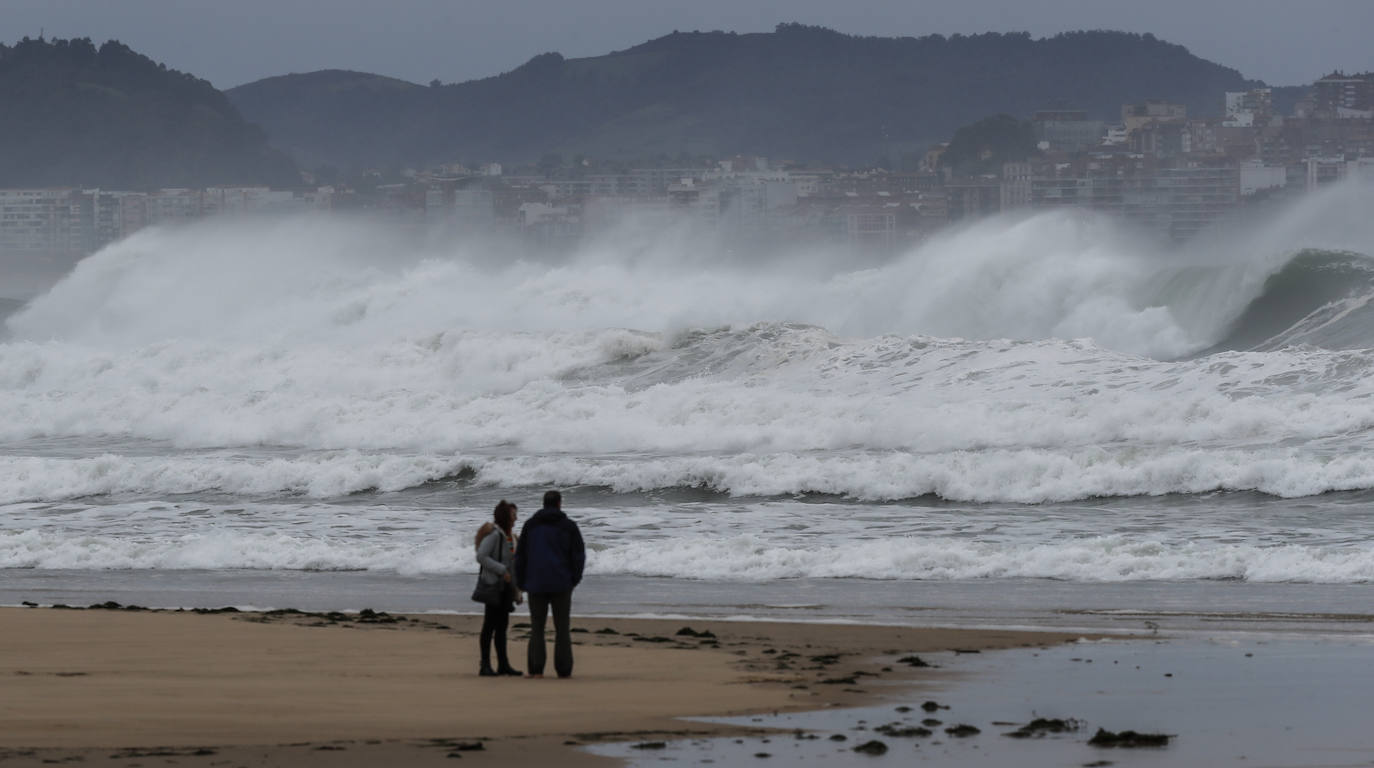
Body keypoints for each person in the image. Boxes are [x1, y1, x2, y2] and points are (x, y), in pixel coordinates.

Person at [514, 490, 585, 678]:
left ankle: (536, 669)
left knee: (537, 626)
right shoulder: (569, 526)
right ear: (559, 504)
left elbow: (520, 556)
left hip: (535, 582)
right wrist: (574, 579)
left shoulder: (531, 525)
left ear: (543, 504)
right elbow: (578, 556)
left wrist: (521, 581)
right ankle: (563, 670)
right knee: (562, 627)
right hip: (562, 582)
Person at [475, 500, 522, 677]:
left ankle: (503, 664)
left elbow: (513, 566)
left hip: (506, 589)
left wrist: (517, 590)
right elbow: (481, 556)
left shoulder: (512, 538)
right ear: (505, 517)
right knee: (489, 626)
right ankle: (485, 665)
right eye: (513, 514)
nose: (516, 518)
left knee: (502, 627)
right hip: (493, 586)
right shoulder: (495, 535)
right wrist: (501, 570)